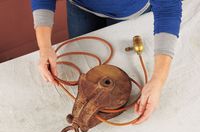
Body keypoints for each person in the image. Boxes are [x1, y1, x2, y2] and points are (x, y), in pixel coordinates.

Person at [31, 0, 182, 124]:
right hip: (81, 7)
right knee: (86, 59)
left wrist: (158, 79)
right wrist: (44, 47)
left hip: (131, 12)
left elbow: (168, 9)